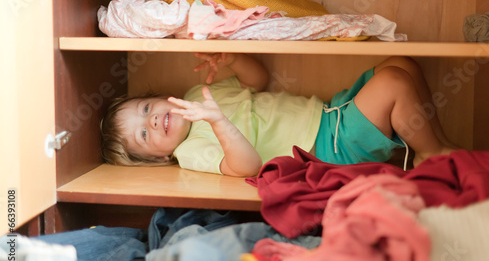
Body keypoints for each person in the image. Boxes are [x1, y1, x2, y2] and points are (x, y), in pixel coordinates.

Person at [100, 53, 457, 177]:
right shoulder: (190, 151)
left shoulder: (198, 95)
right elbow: (247, 165)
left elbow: (256, 81)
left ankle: (434, 146)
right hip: (328, 147)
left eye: (145, 110)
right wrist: (218, 121)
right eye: (144, 135)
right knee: (394, 82)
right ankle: (432, 155)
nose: (151, 121)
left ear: (159, 97)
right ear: (160, 157)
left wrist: (232, 61)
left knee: (401, 66)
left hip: (331, 113)